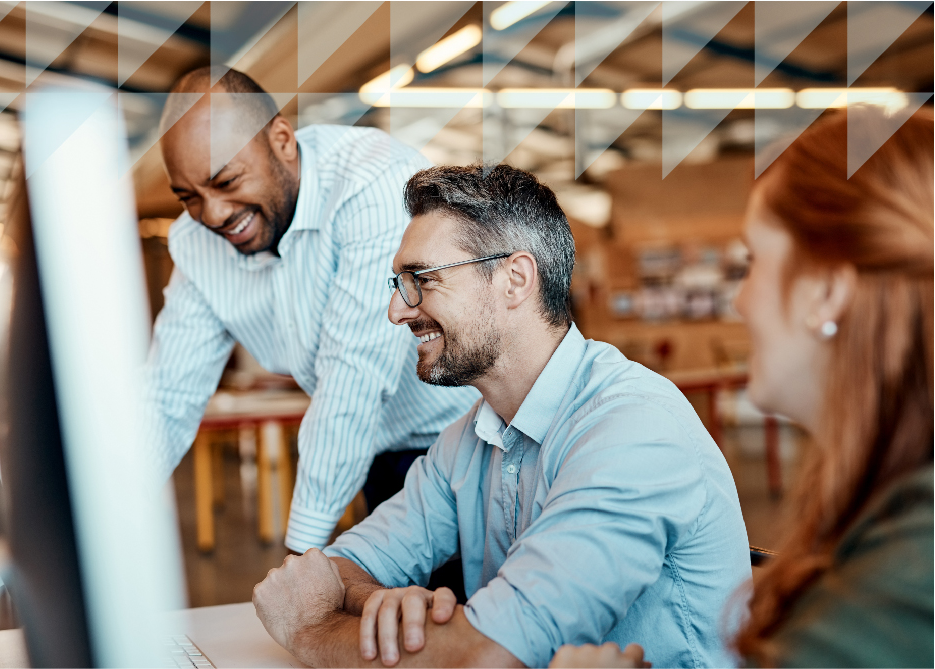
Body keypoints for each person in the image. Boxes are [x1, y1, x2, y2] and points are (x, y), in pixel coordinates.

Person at [251, 164, 751, 668]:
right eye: (398, 283)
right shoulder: (468, 441)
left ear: (515, 280)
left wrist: (311, 627)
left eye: (421, 279)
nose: (396, 311)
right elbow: (342, 568)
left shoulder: (632, 429)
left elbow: (487, 655)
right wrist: (376, 599)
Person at [551, 108, 934, 668]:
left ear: (826, 291)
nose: (739, 300)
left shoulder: (912, 561)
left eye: (754, 262)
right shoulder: (890, 508)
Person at [146, 67, 478, 553]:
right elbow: (166, 397)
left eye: (227, 181)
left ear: (281, 139)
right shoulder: (197, 243)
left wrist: (299, 553)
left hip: (474, 446)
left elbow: (353, 376)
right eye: (189, 197)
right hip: (382, 455)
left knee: (474, 618)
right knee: (406, 618)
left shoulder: (372, 182)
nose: (213, 214)